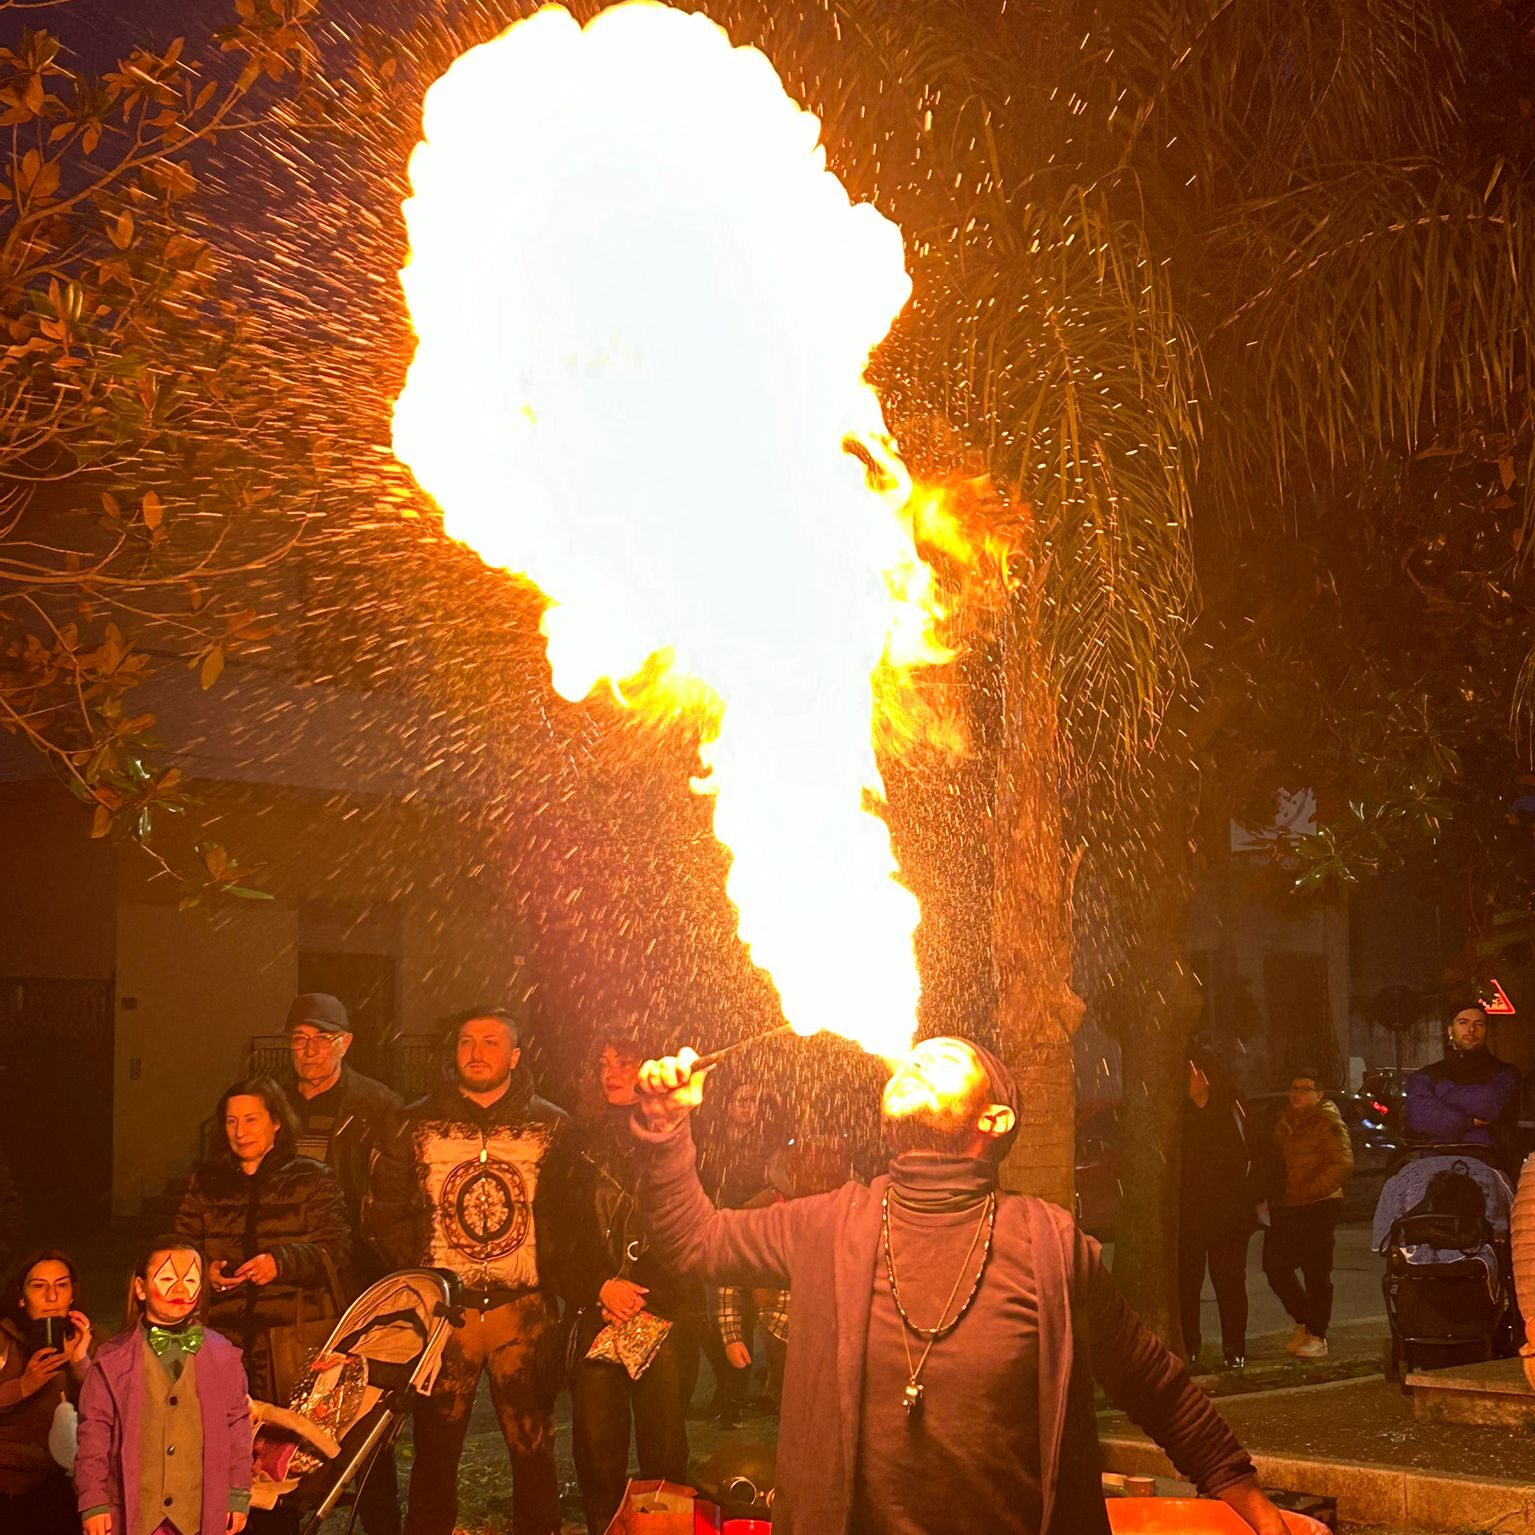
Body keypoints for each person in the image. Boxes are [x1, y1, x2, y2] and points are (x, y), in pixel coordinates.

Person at [634, 1037, 1287, 1535]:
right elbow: (692, 1241)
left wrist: (1255, 1504)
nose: (919, 1060)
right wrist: (665, 1130)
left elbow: (1153, 1385)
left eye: (946, 1060)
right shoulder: (827, 1225)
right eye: (916, 1058)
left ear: (995, 1118)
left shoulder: (1049, 1246)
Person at [366, 1009, 584, 1535]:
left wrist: (556, 1281)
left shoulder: (553, 1126)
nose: (476, 1052)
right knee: (434, 1450)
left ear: (515, 1055)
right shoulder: (412, 1123)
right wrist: (422, 1282)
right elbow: (382, 1214)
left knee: (533, 1446)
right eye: (467, 1041)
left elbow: (573, 1216)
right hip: (446, 1317)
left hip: (523, 1311)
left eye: (490, 1042)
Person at [284, 993, 403, 1535]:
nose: (309, 1050)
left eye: (322, 1039)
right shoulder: (271, 1102)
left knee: (363, 1404)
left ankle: (378, 1519)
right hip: (287, 1277)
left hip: (355, 1275)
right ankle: (283, 1511)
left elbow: (393, 1194)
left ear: (345, 1044)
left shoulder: (377, 1106)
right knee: (286, 1403)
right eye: (299, 1039)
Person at [569, 1035, 698, 1535]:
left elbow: (691, 1224)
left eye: (623, 1062)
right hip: (597, 1316)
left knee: (664, 1453)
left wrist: (645, 1293)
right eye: (603, 1063)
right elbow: (558, 1229)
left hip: (661, 1315)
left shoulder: (674, 1136)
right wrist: (598, 1286)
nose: (611, 1073)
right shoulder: (576, 1140)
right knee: (597, 1452)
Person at [174, 1078, 351, 1411]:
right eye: (231, 1121)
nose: (240, 1132)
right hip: (220, 1337)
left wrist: (281, 1262)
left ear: (276, 1121)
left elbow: (335, 1250)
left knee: (285, 1434)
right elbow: (179, 1249)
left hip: (289, 1339)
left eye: (251, 1119)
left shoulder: (313, 1179)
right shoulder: (207, 1182)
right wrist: (203, 1270)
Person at [75, 1238, 252, 1535]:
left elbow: (237, 1427)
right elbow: (94, 1432)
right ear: (140, 1288)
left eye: (191, 1280)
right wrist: (93, 1500)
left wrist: (238, 1494)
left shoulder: (223, 1356)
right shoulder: (112, 1360)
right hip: (136, 1513)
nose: (180, 1289)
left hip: (198, 1513)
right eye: (168, 1279)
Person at [1262, 1067, 1353, 1361]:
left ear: (1319, 1094)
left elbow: (1341, 1163)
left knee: (1316, 1271)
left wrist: (1311, 1190)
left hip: (1318, 1205)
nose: (1296, 1094)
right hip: (1287, 1205)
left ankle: (1317, 1334)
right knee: (1274, 1266)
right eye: (1294, 1088)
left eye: (1304, 1089)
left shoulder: (1327, 1121)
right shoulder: (1285, 1121)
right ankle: (1304, 1319)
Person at [0, 1250, 93, 1533]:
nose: (51, 1297)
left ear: (72, 1295)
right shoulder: (6, 1341)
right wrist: (23, 1386)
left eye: (61, 1285)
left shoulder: (91, 1341)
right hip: (11, 1488)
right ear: (21, 1297)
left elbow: (114, 1410)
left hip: (69, 1487)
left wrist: (80, 1363)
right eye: (39, 1286)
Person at [1179, 1053, 1257, 1371]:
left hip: (1228, 1216)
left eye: (1192, 1071)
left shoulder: (1228, 1109)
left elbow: (1247, 1157)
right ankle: (1190, 1345)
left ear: (1205, 1075)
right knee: (1187, 1285)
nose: (1188, 1077)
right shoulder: (1180, 1116)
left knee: (1230, 1284)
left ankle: (1234, 1348)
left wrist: (1243, 1202)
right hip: (1191, 1216)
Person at [1405, 1006, 1520, 1165]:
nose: (1471, 1029)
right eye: (1463, 1022)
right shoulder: (1428, 1074)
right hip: (1434, 1163)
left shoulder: (1505, 1072)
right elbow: (1420, 1117)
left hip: (1488, 1161)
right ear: (1450, 1030)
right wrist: (1469, 1121)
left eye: (1479, 1024)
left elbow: (1488, 1104)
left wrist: (1441, 1095)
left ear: (1486, 1031)